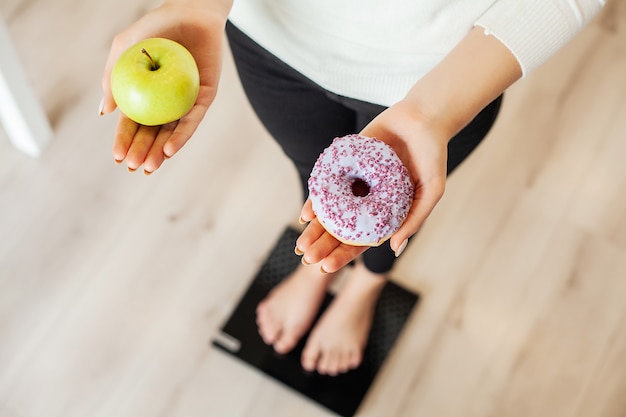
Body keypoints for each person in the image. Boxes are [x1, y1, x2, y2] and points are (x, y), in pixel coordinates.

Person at [100, 0, 605, 376]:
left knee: (398, 209)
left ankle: (364, 288)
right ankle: (317, 273)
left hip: (448, 68)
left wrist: (433, 110)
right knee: (312, 171)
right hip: (270, 36)